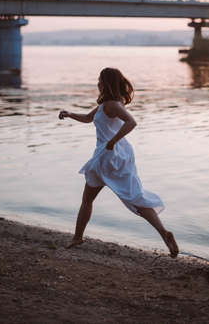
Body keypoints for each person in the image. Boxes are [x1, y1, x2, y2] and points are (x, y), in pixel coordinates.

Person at [59, 67, 179, 258]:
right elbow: (88, 118)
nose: (97, 83)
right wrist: (69, 114)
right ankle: (163, 233)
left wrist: (112, 141)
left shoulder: (113, 105)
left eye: (99, 80)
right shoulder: (106, 104)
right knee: (134, 197)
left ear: (106, 83)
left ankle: (77, 237)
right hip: (111, 156)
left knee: (88, 200)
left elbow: (131, 122)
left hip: (109, 156)